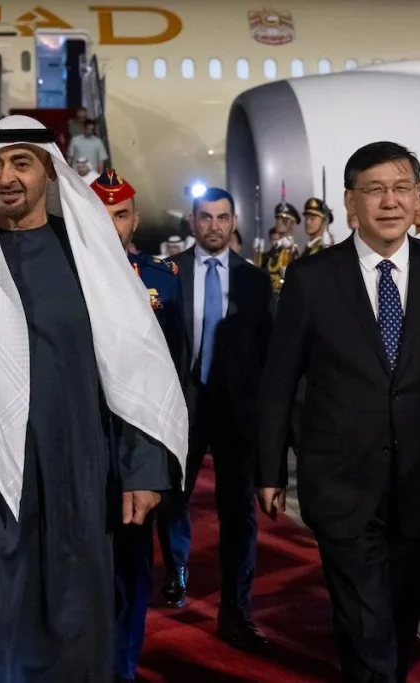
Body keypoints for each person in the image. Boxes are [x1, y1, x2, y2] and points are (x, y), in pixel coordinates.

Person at [0, 114, 187, 682]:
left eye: (21, 163)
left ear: (49, 171)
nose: (6, 177)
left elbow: (136, 363)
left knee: (70, 620)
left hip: (73, 469)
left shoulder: (89, 255)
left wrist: (143, 466)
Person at [258, 141, 420, 683]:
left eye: (402, 188)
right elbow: (279, 380)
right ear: (350, 201)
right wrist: (268, 470)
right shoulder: (313, 278)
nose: (390, 201)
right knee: (366, 627)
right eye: (375, 189)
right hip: (341, 485)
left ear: (416, 196)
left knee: (401, 622)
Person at [163, 187, 274, 653]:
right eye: (205, 217)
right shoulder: (168, 274)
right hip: (181, 408)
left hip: (236, 415)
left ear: (234, 221)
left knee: (238, 515)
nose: (214, 226)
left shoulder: (256, 281)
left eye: (222, 217)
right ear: (193, 221)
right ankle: (176, 573)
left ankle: (235, 611)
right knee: (171, 501)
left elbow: (268, 355)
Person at [90, 170, 182, 683]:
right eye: (100, 215)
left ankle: (121, 668)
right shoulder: (61, 272)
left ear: (135, 220)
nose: (111, 226)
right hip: (77, 445)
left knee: (130, 571)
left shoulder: (161, 278)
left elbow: (173, 371)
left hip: (135, 447)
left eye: (120, 215)